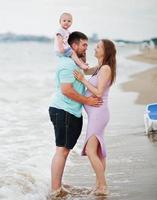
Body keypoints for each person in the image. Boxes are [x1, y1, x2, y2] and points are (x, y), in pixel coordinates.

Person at [48, 31, 103, 199]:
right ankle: (55, 190)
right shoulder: (67, 65)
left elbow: (87, 72)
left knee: (64, 150)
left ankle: (57, 186)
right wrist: (88, 101)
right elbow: (66, 90)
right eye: (84, 45)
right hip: (63, 110)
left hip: (70, 111)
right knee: (62, 151)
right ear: (74, 46)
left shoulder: (75, 62)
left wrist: (102, 64)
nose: (87, 48)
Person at [73, 39, 117, 196]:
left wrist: (82, 81)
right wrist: (77, 56)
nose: (95, 48)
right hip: (96, 114)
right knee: (97, 152)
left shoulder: (105, 68)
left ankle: (103, 186)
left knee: (91, 151)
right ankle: (99, 185)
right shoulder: (99, 67)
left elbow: (98, 92)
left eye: (98, 47)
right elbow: (84, 70)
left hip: (99, 114)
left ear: (105, 51)